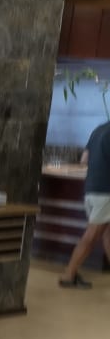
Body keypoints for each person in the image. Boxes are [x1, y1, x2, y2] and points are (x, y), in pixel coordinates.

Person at [59, 120, 110, 289]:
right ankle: (69, 275)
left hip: (91, 189)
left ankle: (70, 274)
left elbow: (84, 160)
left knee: (107, 234)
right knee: (92, 236)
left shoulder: (98, 130)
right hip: (105, 192)